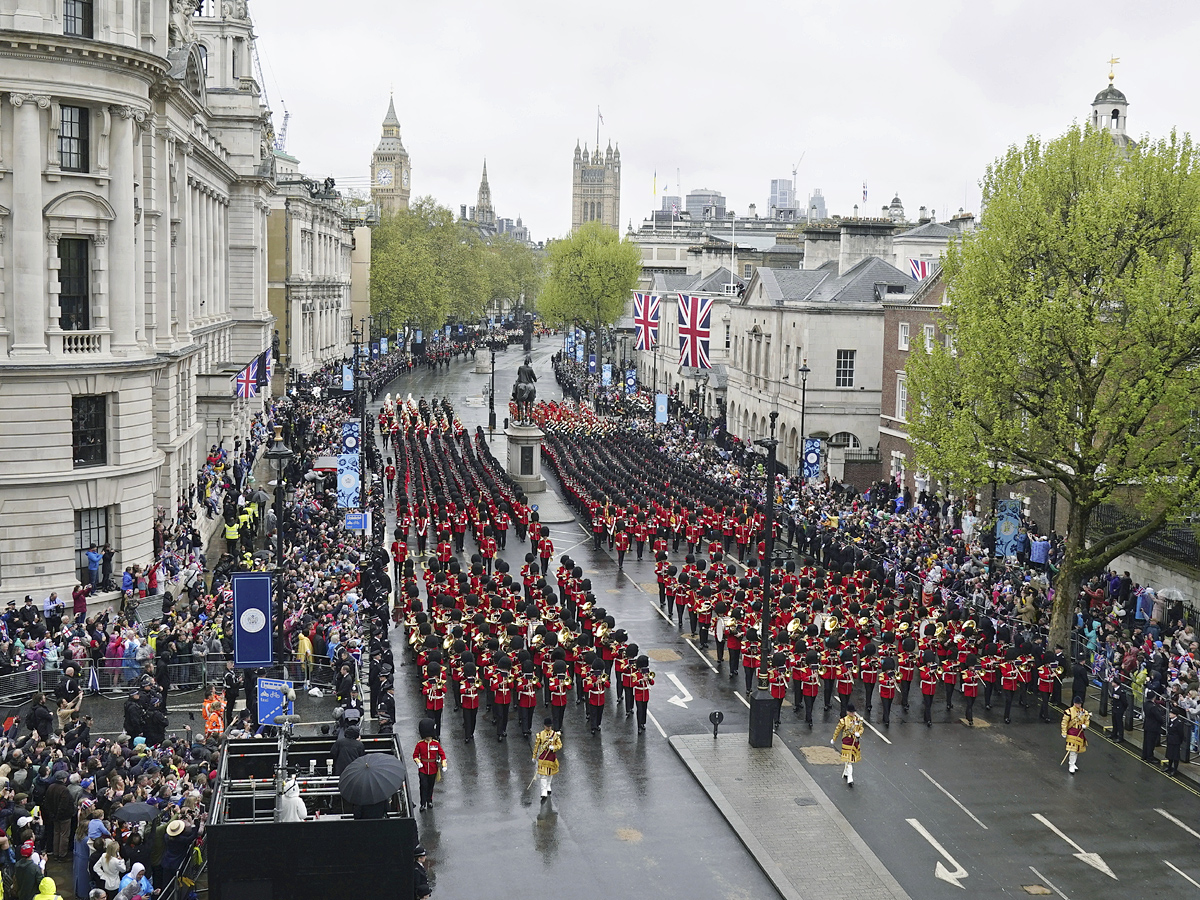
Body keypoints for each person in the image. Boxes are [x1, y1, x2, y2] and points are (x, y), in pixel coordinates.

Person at [412, 717, 446, 811]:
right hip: (423, 769)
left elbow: (442, 754)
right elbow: (415, 755)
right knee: (423, 786)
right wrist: (418, 763)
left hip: (433, 768)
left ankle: (429, 800)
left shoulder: (435, 743)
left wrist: (444, 765)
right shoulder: (420, 744)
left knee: (430, 786)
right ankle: (422, 803)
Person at [831, 702, 865, 787]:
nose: (853, 713)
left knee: (850, 759)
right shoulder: (843, 721)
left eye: (853, 712)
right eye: (851, 712)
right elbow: (837, 730)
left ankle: (846, 772)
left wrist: (859, 733)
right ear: (848, 712)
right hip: (847, 741)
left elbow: (861, 728)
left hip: (855, 741)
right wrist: (834, 739)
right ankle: (850, 778)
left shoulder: (857, 720)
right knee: (849, 760)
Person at [532, 718, 562, 805]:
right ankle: (543, 791)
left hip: (551, 756)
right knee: (543, 775)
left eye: (550, 726)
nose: (549, 728)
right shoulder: (540, 735)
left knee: (550, 773)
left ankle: (548, 785)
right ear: (544, 726)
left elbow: (559, 745)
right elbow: (536, 746)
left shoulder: (555, 735)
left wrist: (554, 748)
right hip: (542, 757)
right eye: (547, 726)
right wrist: (534, 756)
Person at [1061, 696, 1089, 774]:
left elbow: (1087, 721)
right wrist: (1064, 732)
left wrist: (1085, 725)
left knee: (1077, 749)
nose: (1078, 705)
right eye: (1077, 703)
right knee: (1072, 750)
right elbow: (1064, 722)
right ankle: (1071, 764)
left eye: (1080, 704)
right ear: (1074, 703)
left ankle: (1073, 763)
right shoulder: (1069, 711)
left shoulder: (1084, 712)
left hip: (1079, 732)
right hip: (1072, 732)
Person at [1164, 707, 1189, 776]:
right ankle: (1169, 767)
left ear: (1175, 714)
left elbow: (1181, 733)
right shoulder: (1171, 720)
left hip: (1175, 741)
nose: (1169, 714)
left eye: (1171, 713)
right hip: (1170, 740)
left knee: (1175, 756)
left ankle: (1175, 770)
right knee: (1169, 755)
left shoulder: (1178, 723)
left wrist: (1179, 741)